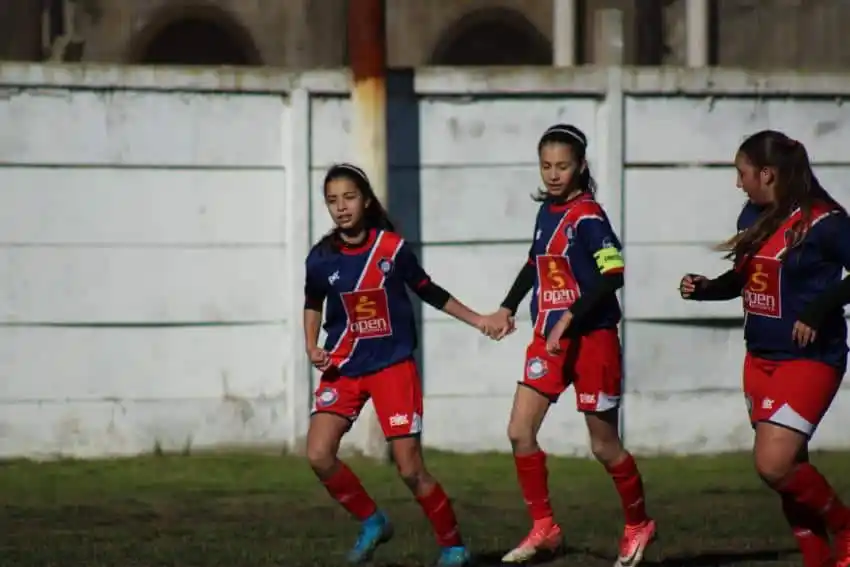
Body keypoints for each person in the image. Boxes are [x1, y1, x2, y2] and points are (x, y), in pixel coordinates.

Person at [303, 163, 494, 567]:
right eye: (332, 200)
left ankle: (453, 546)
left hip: (392, 366)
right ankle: (373, 522)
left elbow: (428, 290)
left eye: (349, 197)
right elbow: (312, 303)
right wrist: (311, 344)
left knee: (410, 469)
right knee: (319, 454)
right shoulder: (320, 258)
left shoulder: (390, 248)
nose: (341, 208)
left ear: (366, 200)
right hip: (345, 366)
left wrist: (478, 319)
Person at [483, 124, 656, 566]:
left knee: (603, 446)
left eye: (562, 165)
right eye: (546, 166)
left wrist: (570, 317)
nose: (554, 174)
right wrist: (507, 306)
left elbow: (613, 272)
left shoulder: (589, 217)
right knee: (520, 431)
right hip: (548, 339)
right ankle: (545, 529)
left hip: (592, 339)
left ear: (580, 166)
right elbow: (534, 263)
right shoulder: (548, 212)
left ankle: (638, 524)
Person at [680, 129, 850, 567]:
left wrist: (817, 310)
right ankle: (817, 558)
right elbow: (744, 279)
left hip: (810, 359)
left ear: (768, 174)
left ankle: (846, 528)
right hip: (759, 358)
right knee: (790, 470)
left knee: (773, 464)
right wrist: (706, 288)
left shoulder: (825, 221)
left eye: (743, 173)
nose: (739, 183)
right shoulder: (752, 218)